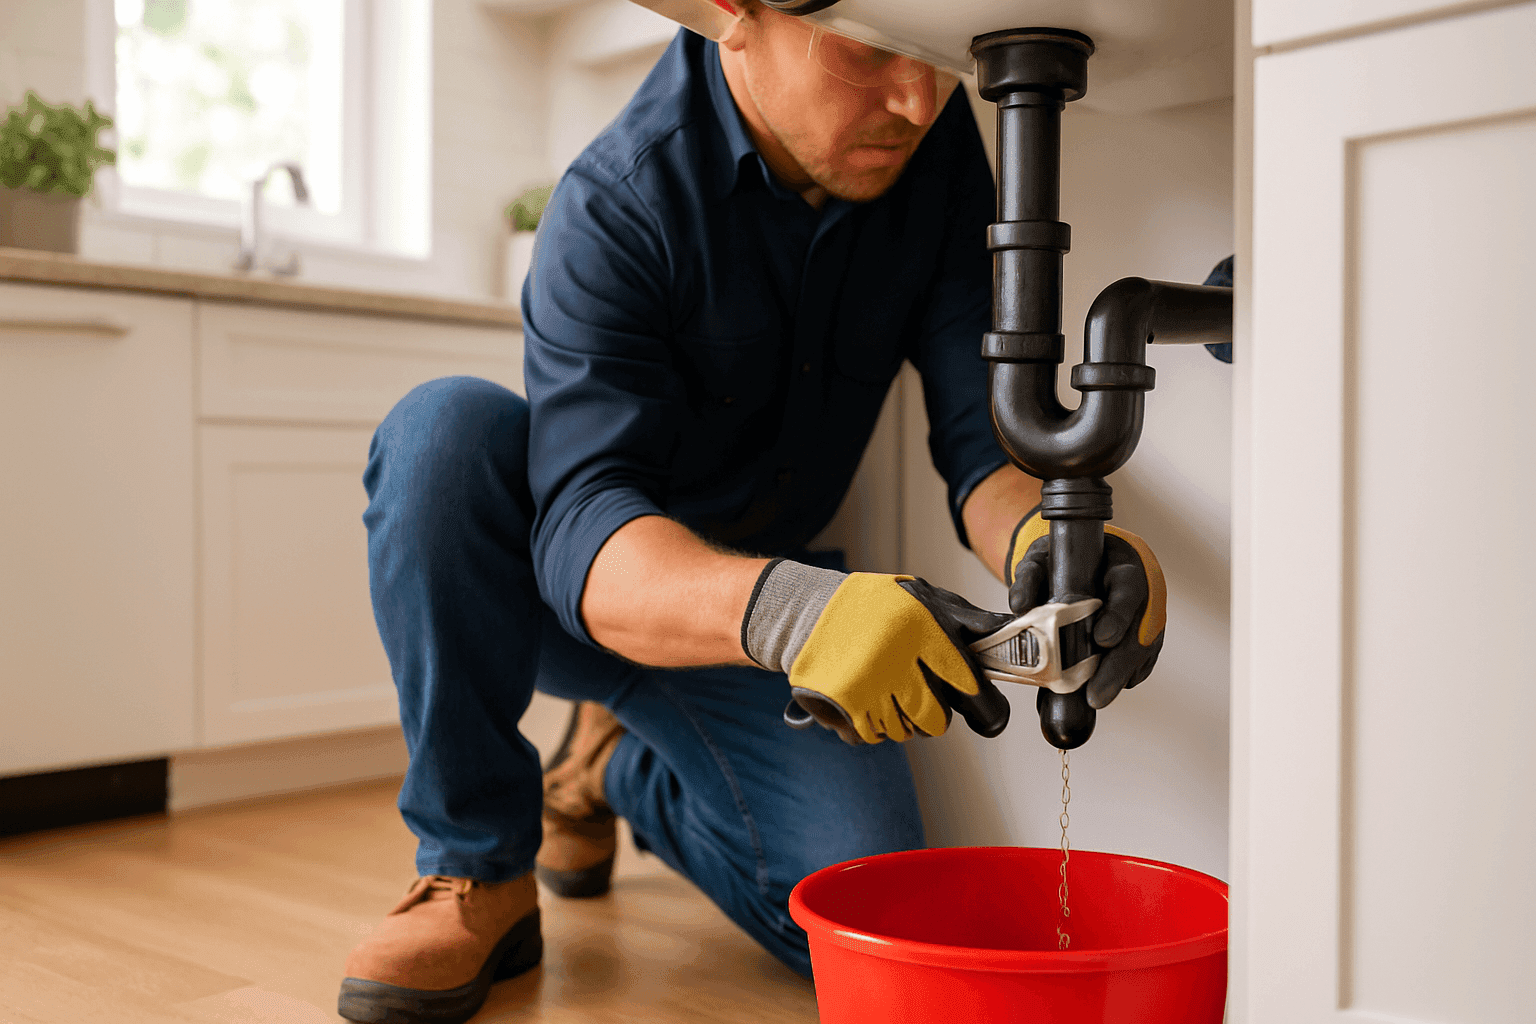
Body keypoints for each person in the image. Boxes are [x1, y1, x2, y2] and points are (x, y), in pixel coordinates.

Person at [337, 5, 1166, 1023]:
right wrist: (808, 616)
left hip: (760, 625)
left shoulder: (936, 153)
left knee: (850, 914)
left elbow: (980, 441)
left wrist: (1062, 546)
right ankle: (475, 866)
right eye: (869, 49)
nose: (917, 98)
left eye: (933, 56)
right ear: (735, 14)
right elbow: (589, 525)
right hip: (581, 591)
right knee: (440, 433)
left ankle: (613, 764)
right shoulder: (618, 199)